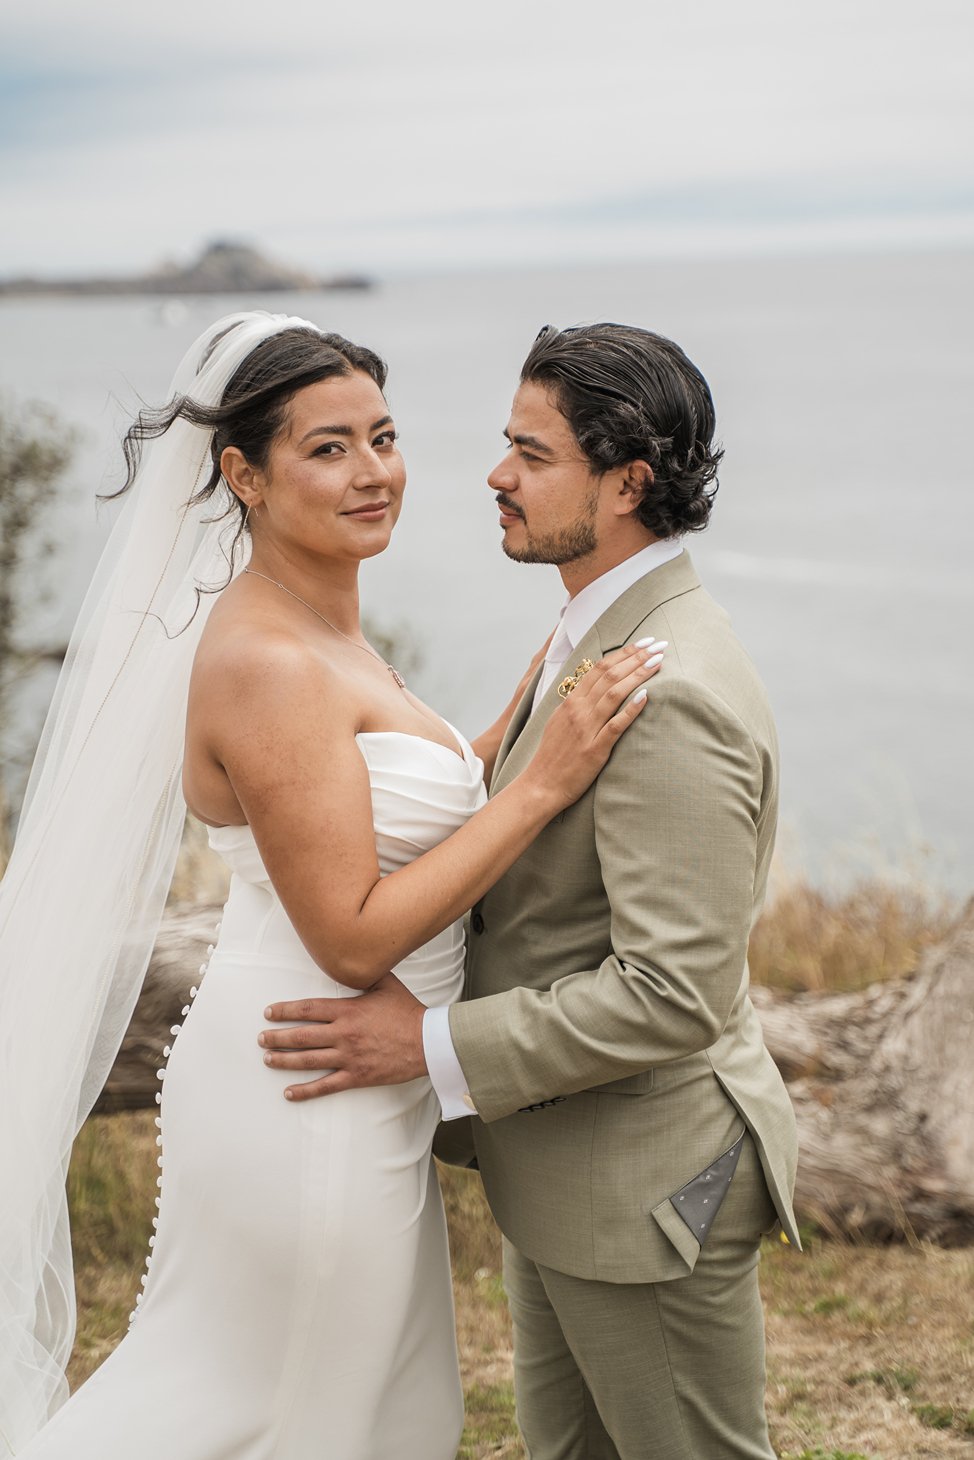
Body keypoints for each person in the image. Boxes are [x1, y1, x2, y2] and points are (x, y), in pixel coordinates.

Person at [0, 312, 665, 1460]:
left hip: (357, 1074)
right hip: (306, 1076)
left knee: (372, 1412)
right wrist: (538, 786)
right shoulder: (266, 659)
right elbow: (352, 932)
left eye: (385, 435)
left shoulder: (325, 630)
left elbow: (381, 799)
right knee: (268, 1410)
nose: (374, 474)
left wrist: (528, 706)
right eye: (327, 447)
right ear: (242, 475)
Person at [259, 323, 802, 1460]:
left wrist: (429, 1043)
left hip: (652, 1190)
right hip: (568, 1166)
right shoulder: (590, 634)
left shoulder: (670, 689)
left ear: (626, 482)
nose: (495, 475)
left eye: (529, 452)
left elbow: (671, 993)